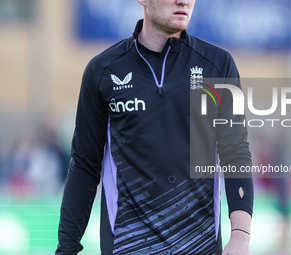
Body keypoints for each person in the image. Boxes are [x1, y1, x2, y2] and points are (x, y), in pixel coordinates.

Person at [56, 0, 254, 254]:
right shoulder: (103, 70)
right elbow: (84, 165)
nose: (183, 1)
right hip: (128, 247)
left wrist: (240, 235)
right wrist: (67, 249)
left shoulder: (218, 65)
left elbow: (235, 153)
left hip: (199, 247)